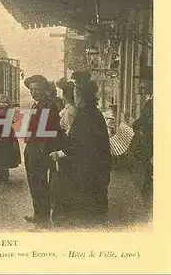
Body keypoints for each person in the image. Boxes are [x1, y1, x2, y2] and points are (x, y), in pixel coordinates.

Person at [50, 74, 112, 228]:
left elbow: (80, 144)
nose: (74, 97)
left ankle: (76, 218)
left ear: (82, 97)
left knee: (62, 173)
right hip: (94, 161)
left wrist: (61, 153)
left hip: (90, 165)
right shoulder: (90, 112)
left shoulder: (87, 115)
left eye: (76, 94)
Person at [23, 74, 62, 228]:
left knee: (39, 183)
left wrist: (41, 150)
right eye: (32, 89)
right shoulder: (37, 104)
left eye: (37, 89)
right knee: (34, 182)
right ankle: (38, 213)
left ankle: (42, 217)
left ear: (44, 89)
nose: (34, 92)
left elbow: (51, 130)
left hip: (40, 149)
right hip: (32, 147)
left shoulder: (48, 105)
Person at [131, 65, 153, 211]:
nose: (140, 85)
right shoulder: (151, 101)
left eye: (143, 81)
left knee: (148, 186)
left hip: (151, 150)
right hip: (147, 150)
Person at [0, 94, 21, 185]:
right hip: (8, 135)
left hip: (2, 135)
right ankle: (4, 176)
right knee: (5, 156)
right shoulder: (7, 109)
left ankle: (3, 178)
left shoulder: (1, 110)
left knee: (2, 156)